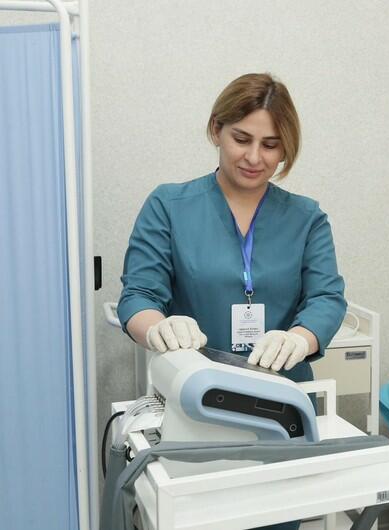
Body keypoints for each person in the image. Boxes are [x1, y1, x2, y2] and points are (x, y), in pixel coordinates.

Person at [118, 73, 346, 530]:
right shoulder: (170, 205)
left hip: (280, 406)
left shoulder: (306, 217)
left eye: (271, 145)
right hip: (196, 404)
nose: (255, 157)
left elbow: (327, 296)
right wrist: (156, 325)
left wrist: (300, 338)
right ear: (215, 130)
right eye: (242, 139)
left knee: (276, 517)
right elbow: (138, 294)